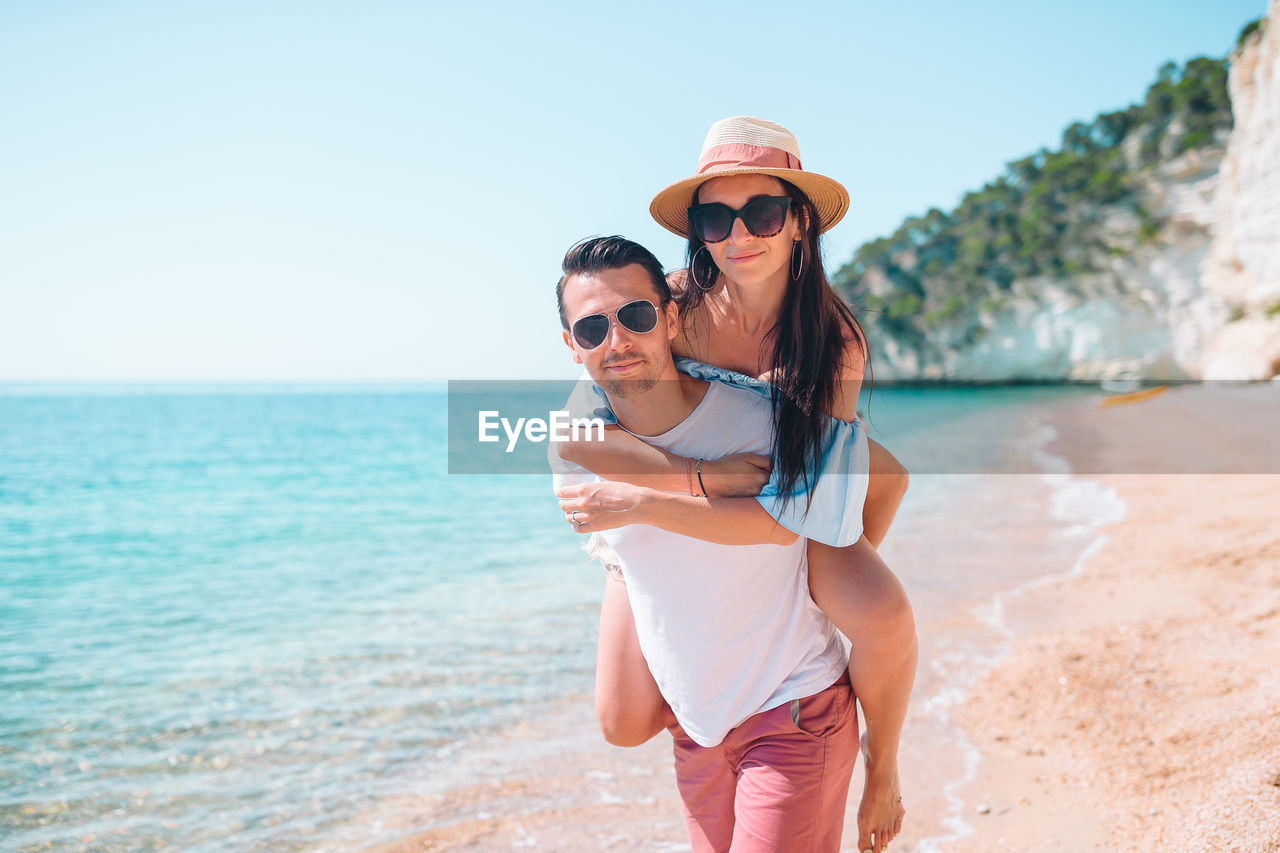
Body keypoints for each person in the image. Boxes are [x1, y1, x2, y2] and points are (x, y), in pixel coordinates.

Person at [555, 116, 915, 853]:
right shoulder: (673, 306)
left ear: (800, 223)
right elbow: (574, 427)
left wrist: (784, 568)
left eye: (763, 212)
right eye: (716, 217)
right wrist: (699, 476)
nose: (738, 234)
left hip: (799, 476)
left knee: (880, 613)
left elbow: (804, 487)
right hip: (715, 477)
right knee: (622, 719)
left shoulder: (830, 341)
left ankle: (882, 762)